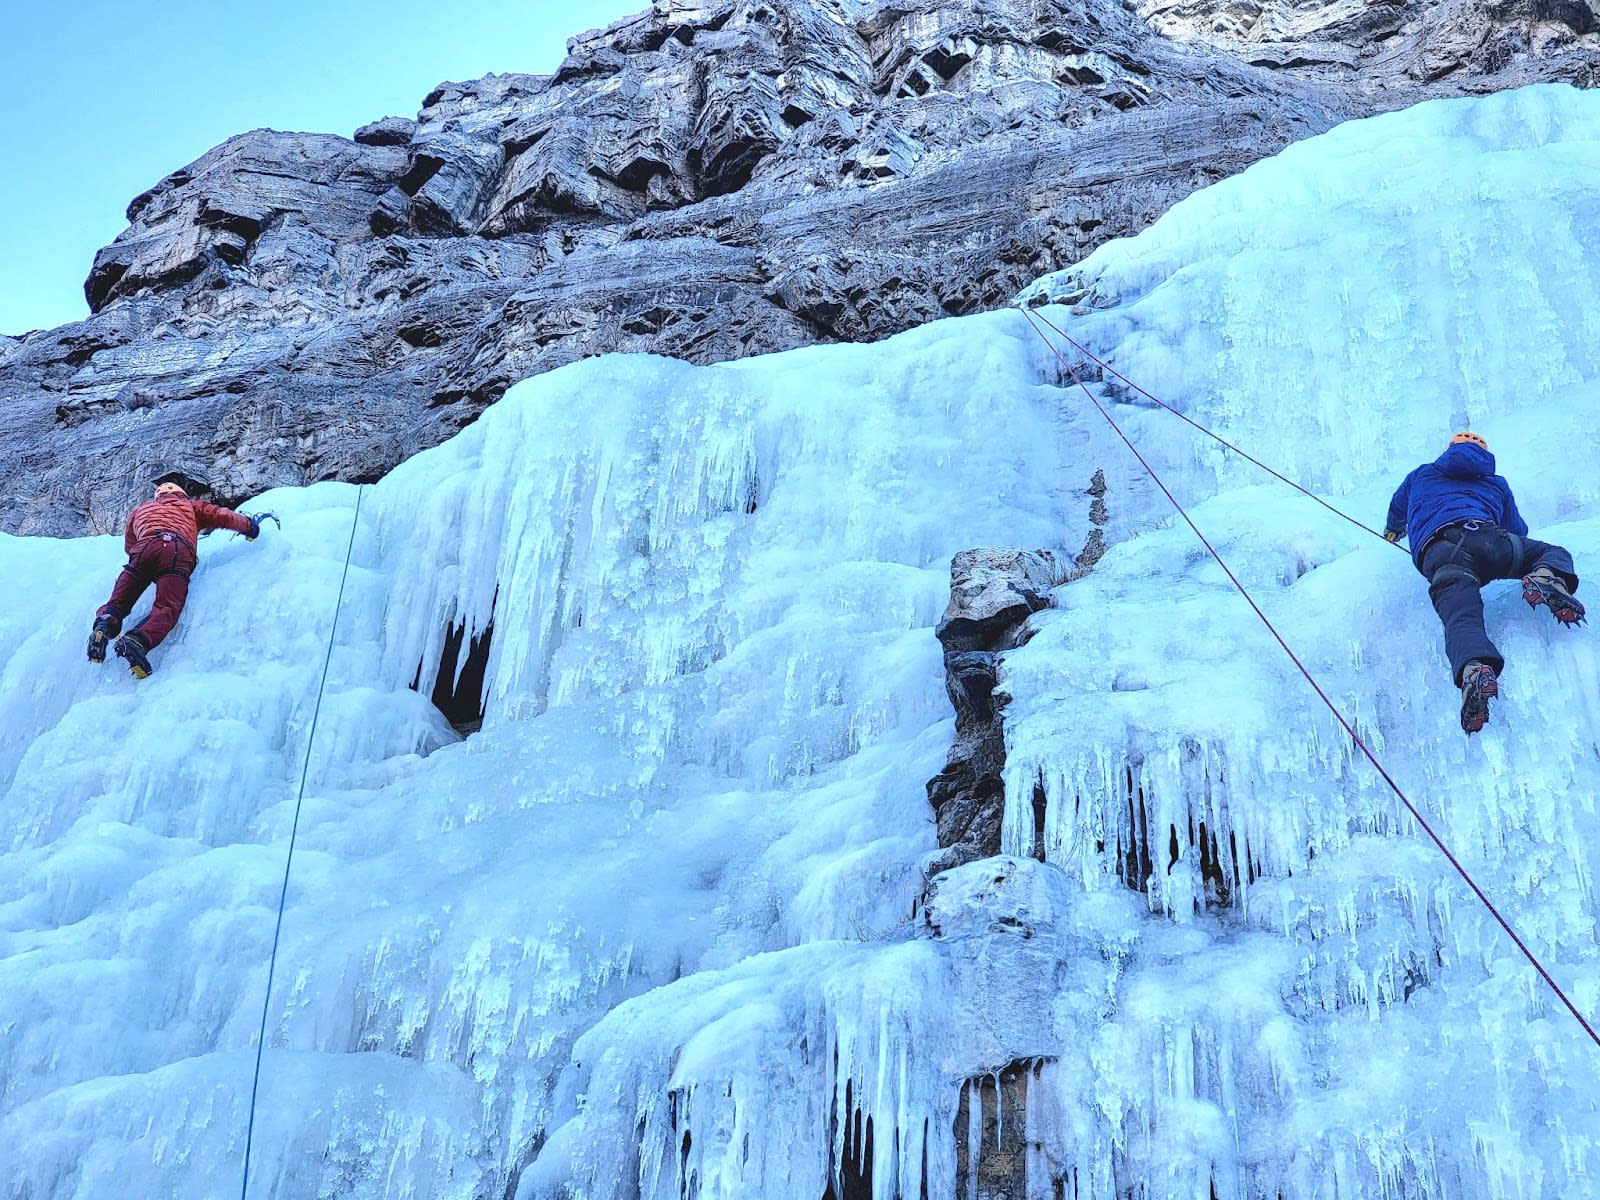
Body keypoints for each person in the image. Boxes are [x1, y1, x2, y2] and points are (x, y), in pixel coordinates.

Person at [1385, 432, 1584, 734]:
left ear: (1449, 449)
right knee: (1549, 553)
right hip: (1489, 539)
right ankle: (1544, 576)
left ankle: (1475, 670)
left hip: (1442, 553)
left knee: (1461, 619)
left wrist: (1393, 531)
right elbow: (1517, 529)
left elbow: (1398, 509)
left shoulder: (1423, 473)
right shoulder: (1496, 483)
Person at [87, 473, 267, 678]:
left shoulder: (140, 510)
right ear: (181, 495)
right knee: (167, 607)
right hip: (176, 550)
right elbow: (222, 516)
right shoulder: (192, 506)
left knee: (119, 601)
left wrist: (145, 562)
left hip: (143, 548)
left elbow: (130, 545)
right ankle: (137, 640)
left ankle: (103, 625)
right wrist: (250, 527)